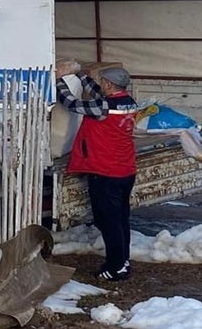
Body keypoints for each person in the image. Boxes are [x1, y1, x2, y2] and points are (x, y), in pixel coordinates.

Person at [55, 64, 139, 281]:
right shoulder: (127, 102)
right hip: (124, 170)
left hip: (105, 172)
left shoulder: (103, 107)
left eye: (103, 82)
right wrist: (82, 76)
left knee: (109, 222)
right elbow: (97, 92)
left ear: (110, 84)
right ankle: (123, 259)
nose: (101, 84)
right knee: (120, 219)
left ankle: (116, 267)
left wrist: (57, 81)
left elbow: (71, 103)